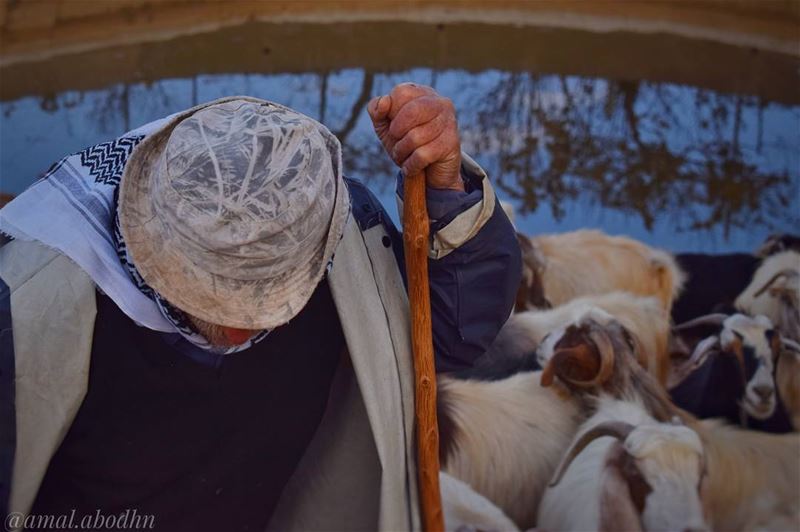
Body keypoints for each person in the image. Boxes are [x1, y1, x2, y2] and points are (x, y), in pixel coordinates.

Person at [0, 83, 520, 531]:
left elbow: (451, 337)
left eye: (265, 299)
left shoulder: (335, 237)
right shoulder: (32, 300)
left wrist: (444, 188)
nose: (234, 330)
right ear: (150, 239)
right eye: (210, 292)